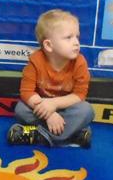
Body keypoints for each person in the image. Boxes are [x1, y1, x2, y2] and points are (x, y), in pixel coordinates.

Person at [8, 9, 94, 148]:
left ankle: (37, 135)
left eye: (77, 37)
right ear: (48, 45)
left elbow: (79, 95)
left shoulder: (80, 62)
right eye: (68, 37)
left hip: (66, 108)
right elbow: (27, 92)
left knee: (86, 110)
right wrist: (49, 115)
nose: (76, 42)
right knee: (21, 109)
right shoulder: (35, 61)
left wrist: (54, 104)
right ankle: (73, 135)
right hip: (41, 109)